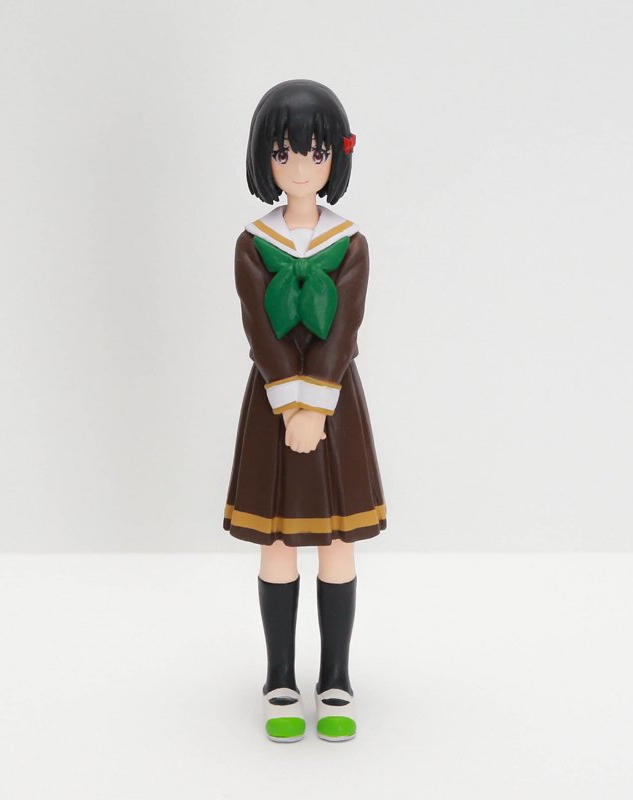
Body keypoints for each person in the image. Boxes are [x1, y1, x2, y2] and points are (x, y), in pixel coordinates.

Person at [224, 79, 386, 743]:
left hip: (334, 403)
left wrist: (314, 407)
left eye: (314, 154)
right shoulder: (251, 242)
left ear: (335, 159)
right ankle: (281, 677)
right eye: (284, 153)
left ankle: (337, 676)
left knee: (338, 540)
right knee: (279, 540)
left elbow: (345, 329)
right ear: (264, 157)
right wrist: (289, 404)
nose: (299, 168)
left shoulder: (351, 242)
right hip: (272, 400)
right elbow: (258, 330)